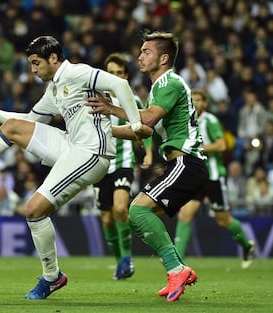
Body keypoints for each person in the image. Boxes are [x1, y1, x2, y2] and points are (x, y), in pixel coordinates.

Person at [0, 35, 151, 299]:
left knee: (33, 209)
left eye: (36, 63)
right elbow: (29, 120)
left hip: (91, 152)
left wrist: (135, 124)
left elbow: (120, 84)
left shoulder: (77, 73)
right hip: (71, 145)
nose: (32, 69)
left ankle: (52, 277)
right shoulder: (54, 89)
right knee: (12, 128)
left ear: (53, 58)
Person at [87, 30, 208, 302]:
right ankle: (179, 269)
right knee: (139, 216)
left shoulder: (168, 82)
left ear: (163, 58)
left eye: (146, 52)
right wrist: (104, 131)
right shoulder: (160, 87)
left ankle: (176, 269)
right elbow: (140, 131)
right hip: (183, 164)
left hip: (186, 162)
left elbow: (148, 120)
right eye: (140, 51)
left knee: (137, 210)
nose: (140, 56)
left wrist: (111, 110)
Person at [173, 90, 256, 269]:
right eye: (192, 100)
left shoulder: (210, 120)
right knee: (185, 215)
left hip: (213, 176)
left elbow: (222, 144)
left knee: (223, 220)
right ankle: (177, 260)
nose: (195, 103)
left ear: (205, 104)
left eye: (199, 100)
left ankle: (247, 246)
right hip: (196, 176)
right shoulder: (185, 120)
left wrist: (199, 148)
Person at [93, 52, 153, 280]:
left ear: (125, 76)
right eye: (111, 73)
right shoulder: (94, 97)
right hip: (98, 163)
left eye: (119, 73)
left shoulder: (132, 100)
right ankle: (119, 261)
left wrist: (148, 151)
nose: (115, 77)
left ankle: (127, 258)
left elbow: (143, 126)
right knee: (107, 218)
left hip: (123, 162)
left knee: (120, 209)